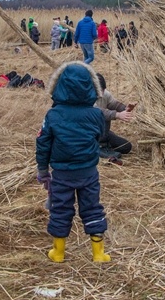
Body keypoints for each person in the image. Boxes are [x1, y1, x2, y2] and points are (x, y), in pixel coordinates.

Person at [36, 61, 111, 263]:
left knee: (60, 209)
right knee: (92, 207)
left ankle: (58, 253)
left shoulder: (53, 115)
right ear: (90, 86)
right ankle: (98, 254)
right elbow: (101, 136)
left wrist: (43, 170)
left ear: (59, 86)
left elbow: (43, 143)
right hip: (88, 172)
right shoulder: (96, 114)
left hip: (61, 174)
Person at [94, 74, 134, 158]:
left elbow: (113, 104)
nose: (101, 94)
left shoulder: (105, 94)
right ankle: (99, 147)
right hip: (89, 132)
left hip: (103, 132)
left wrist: (125, 108)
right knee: (103, 117)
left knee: (126, 146)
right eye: (98, 91)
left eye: (103, 90)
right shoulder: (85, 97)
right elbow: (98, 112)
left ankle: (104, 143)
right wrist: (117, 115)